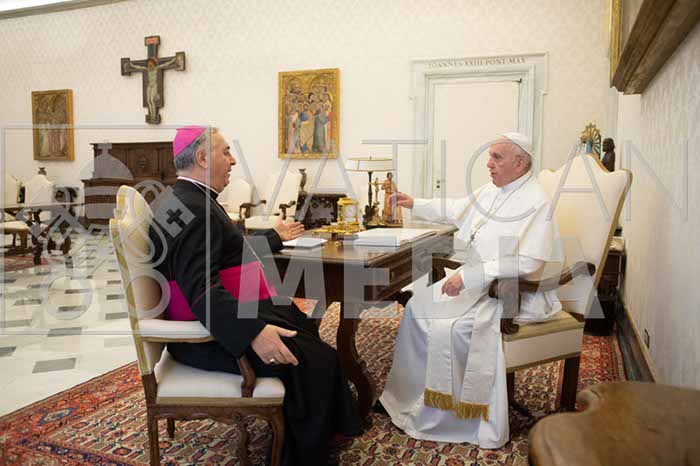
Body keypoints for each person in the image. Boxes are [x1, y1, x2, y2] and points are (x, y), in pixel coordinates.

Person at [149, 126, 362, 465]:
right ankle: (303, 455)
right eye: (225, 152)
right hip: (205, 339)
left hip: (220, 317)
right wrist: (253, 333)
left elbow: (228, 251)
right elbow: (201, 290)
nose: (233, 160)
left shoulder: (185, 199)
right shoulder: (196, 211)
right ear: (202, 158)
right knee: (314, 358)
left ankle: (317, 427)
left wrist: (274, 237)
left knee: (301, 324)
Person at [379, 133, 563, 448]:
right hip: (479, 281)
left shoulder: (536, 201)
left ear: (520, 163)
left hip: (513, 292)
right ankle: (406, 398)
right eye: (489, 156)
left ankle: (454, 419)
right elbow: (456, 208)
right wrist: (414, 203)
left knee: (450, 328)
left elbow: (530, 261)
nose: (488, 164)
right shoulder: (494, 189)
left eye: (496, 157)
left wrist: (470, 277)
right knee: (416, 308)